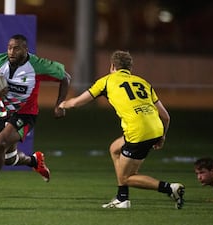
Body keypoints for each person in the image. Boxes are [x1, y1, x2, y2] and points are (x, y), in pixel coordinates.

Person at [59, 50, 185, 209]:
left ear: (112, 66)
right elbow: (166, 116)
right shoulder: (142, 82)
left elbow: (76, 102)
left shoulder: (106, 81)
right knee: (114, 148)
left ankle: (170, 188)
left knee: (127, 178)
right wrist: (162, 136)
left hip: (138, 132)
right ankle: (122, 198)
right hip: (156, 128)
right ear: (130, 68)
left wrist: (62, 104)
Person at [0, 34, 71, 201]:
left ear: (25, 50)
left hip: (25, 114)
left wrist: (59, 104)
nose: (11, 51)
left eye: (16, 48)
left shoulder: (38, 65)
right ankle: (34, 161)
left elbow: (65, 77)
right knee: (8, 158)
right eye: (9, 47)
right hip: (3, 112)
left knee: (0, 142)